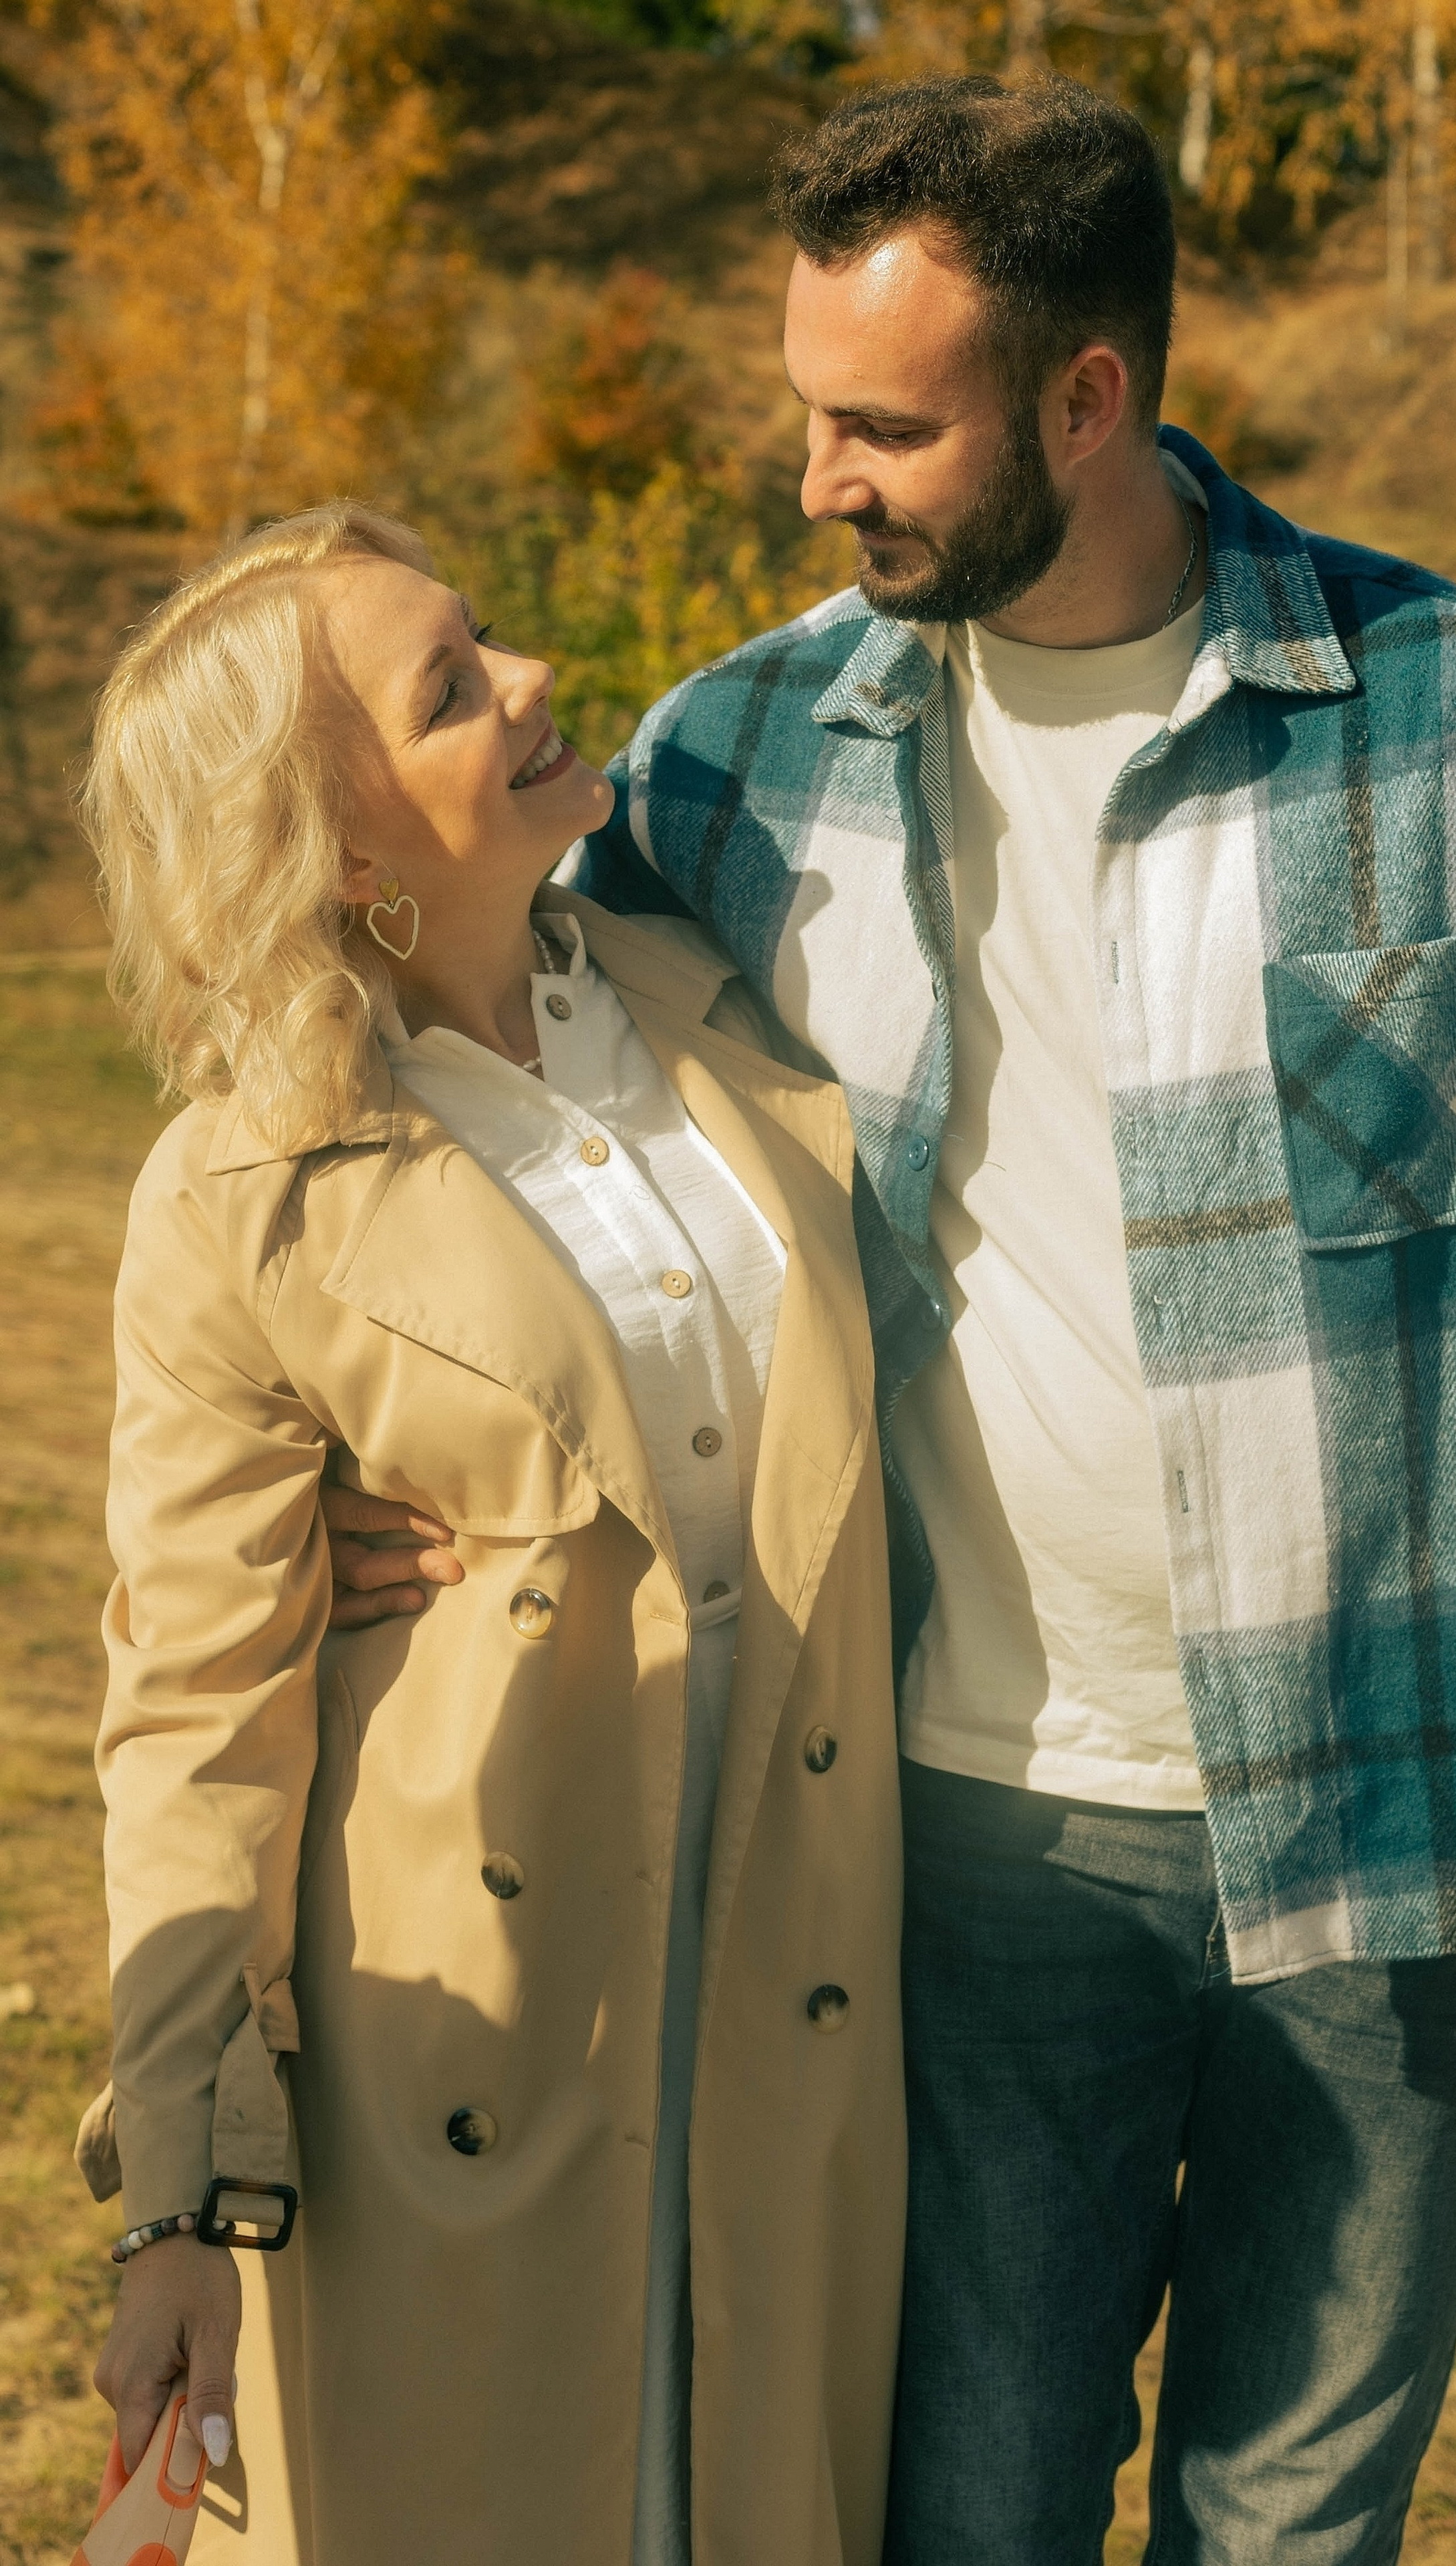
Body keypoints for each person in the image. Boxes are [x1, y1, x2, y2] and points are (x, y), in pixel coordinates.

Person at [324, 74, 1456, 2566]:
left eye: (887, 425)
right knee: (964, 2509)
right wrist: (347, 1466)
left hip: (1423, 1830)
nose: (823, 476)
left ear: (1093, 396)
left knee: (1296, 2527)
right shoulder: (735, 765)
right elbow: (465, 1096)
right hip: (954, 1827)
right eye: (805, 414)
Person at [75, 502, 903, 2566]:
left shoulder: (708, 1008)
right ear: (339, 852)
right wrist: (178, 2194)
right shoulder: (238, 1195)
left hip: (786, 1995)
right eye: (451, 689)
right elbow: (192, 1712)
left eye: (484, 641)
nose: (532, 680)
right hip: (470, 2038)